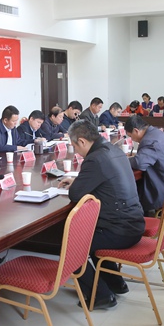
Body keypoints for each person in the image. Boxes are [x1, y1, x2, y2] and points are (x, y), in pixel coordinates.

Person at [57, 120, 145, 310]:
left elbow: (75, 194)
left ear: (82, 141)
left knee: (70, 245)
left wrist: (78, 184)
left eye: (74, 146)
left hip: (120, 230)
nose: (76, 151)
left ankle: (100, 295)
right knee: (91, 237)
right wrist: (80, 181)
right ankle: (115, 283)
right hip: (134, 221)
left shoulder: (95, 159)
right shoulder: (113, 150)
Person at [125, 115, 164, 214]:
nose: (132, 139)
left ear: (136, 131)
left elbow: (140, 163)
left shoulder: (149, 140)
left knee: (128, 190)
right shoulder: (156, 133)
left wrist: (122, 160)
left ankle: (139, 217)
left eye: (130, 136)